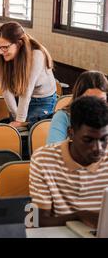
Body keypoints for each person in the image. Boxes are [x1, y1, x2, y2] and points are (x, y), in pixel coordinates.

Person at [30, 96, 108, 228]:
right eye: (88, 140)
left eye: (104, 139)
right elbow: (37, 221)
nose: (98, 148)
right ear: (71, 133)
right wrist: (79, 216)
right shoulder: (43, 160)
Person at [0, 22, 57, 128]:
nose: (0, 52)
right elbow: (6, 90)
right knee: (12, 130)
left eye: (5, 47)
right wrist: (15, 118)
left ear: (19, 44)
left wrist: (20, 121)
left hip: (42, 100)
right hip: (19, 97)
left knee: (29, 131)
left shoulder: (36, 55)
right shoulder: (0, 56)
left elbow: (26, 90)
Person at [47, 71, 107, 144]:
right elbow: (53, 149)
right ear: (78, 99)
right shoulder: (63, 117)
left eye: (101, 101)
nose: (95, 106)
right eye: (88, 100)